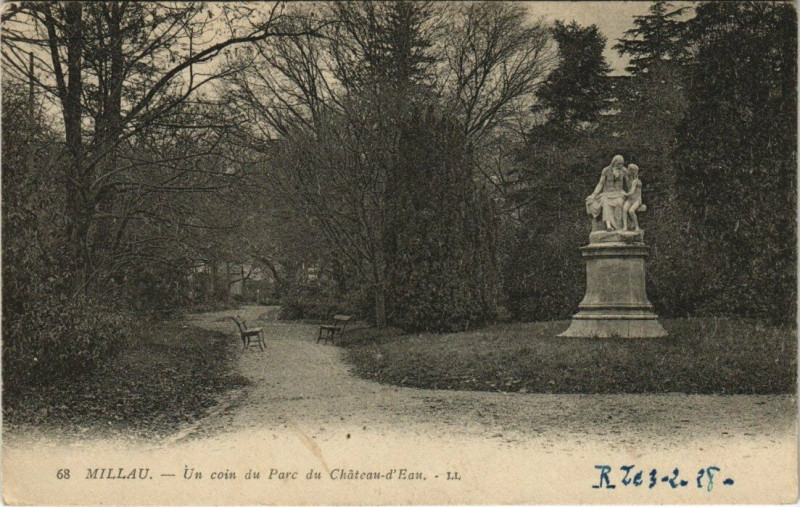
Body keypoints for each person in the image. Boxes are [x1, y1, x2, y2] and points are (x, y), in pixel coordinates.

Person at [586, 155, 628, 231]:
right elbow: (600, 184)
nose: (620, 166)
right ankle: (609, 225)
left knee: (619, 202)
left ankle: (618, 226)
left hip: (619, 193)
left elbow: (629, 184)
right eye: (618, 164)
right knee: (605, 201)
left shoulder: (624, 171)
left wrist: (633, 194)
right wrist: (593, 195)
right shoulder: (606, 170)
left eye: (622, 164)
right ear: (614, 162)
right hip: (607, 193)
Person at [623, 164, 642, 231]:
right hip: (630, 199)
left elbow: (632, 192)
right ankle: (625, 226)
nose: (627, 170)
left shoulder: (636, 181)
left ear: (632, 171)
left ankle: (637, 226)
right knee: (624, 209)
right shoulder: (628, 180)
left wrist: (625, 194)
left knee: (631, 211)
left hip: (637, 199)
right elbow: (624, 171)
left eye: (629, 169)